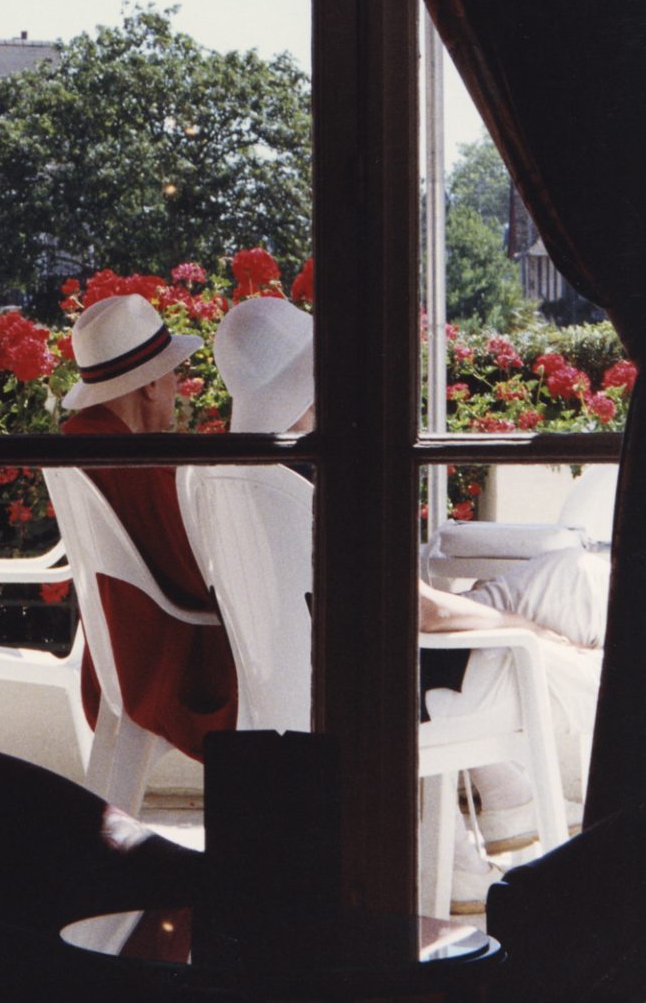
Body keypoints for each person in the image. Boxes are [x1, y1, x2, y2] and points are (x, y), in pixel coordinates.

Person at [213, 291, 607, 911]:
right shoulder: (314, 482)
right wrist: (522, 629)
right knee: (580, 643)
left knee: (577, 578)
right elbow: (419, 611)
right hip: (406, 674)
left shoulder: (244, 477)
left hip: (354, 660)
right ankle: (554, 814)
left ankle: (508, 804)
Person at [60, 292, 238, 764]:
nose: (178, 386)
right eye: (174, 372)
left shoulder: (82, 445)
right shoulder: (142, 471)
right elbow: (208, 579)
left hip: (121, 666)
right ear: (152, 385)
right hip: (179, 673)